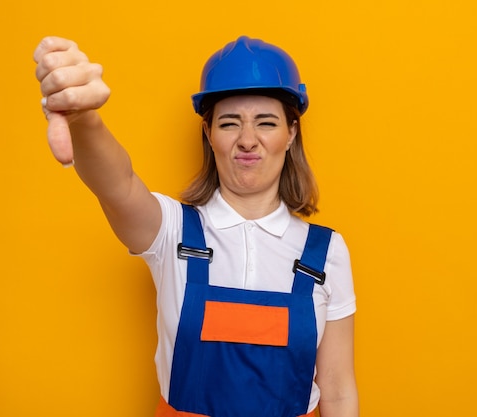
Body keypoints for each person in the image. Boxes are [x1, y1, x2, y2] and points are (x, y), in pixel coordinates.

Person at [33, 35, 359, 417]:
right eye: (229, 123)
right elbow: (118, 185)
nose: (247, 140)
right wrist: (85, 118)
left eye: (266, 123)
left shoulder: (326, 253)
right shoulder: (171, 230)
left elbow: (337, 390)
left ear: (291, 133)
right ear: (208, 133)